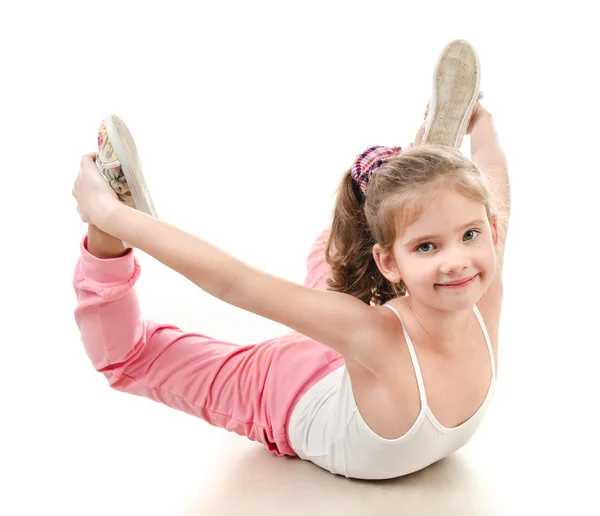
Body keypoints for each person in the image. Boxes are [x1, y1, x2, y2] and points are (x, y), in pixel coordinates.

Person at [72, 40, 510, 480]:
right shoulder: (380, 327)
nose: (458, 262)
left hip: (357, 353)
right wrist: (107, 215)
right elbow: (235, 282)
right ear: (390, 266)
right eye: (428, 246)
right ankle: (111, 231)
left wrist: (482, 125)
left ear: (491, 232)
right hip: (293, 388)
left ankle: (405, 189)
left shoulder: (472, 286)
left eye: (469, 234)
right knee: (128, 358)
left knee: (331, 262)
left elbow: (497, 190)